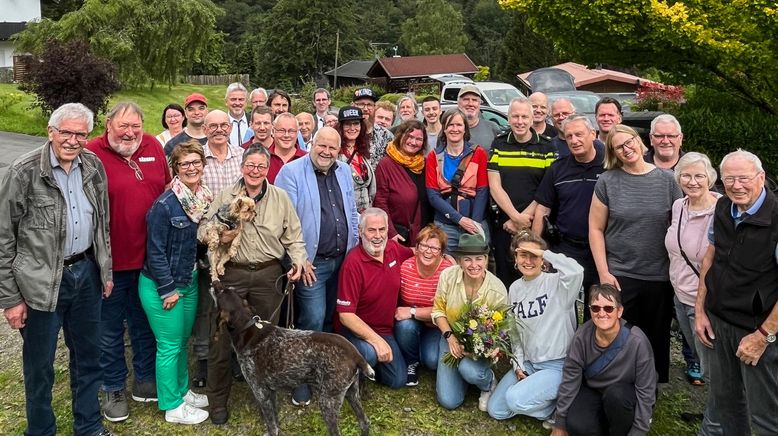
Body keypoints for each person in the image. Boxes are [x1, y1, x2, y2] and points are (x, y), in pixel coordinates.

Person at [0, 103, 113, 436]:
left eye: (80, 134)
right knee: (40, 368)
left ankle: (89, 426)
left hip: (86, 276)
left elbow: (102, 224)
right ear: (51, 132)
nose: (73, 140)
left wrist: (104, 272)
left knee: (89, 358)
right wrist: (10, 299)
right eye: (66, 132)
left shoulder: (93, 166)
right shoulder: (23, 172)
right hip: (39, 284)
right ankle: (40, 431)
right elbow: (4, 238)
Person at [197, 145, 306, 424]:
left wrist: (298, 262)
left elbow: (293, 237)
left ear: (267, 169)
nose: (254, 171)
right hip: (231, 275)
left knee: (266, 341)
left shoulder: (280, 198)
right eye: (250, 165)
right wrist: (219, 237)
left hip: (268, 276)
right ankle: (217, 400)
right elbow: (203, 230)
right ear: (242, 167)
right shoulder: (225, 196)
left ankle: (266, 398)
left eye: (260, 166)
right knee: (220, 340)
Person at [86, 101, 172, 422]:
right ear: (108, 125)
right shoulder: (92, 153)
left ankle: (145, 378)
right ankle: (113, 386)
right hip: (108, 262)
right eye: (123, 126)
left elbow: (165, 189)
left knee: (144, 322)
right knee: (109, 328)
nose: (130, 132)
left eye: (136, 126)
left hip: (149, 260)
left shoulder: (152, 145)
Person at [589, 124, 682, 384]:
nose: (626, 149)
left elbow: (681, 224)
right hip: (620, 273)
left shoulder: (668, 181)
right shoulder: (607, 181)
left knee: (655, 334)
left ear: (639, 141)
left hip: (659, 274)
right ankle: (617, 383)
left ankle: (649, 386)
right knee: (619, 333)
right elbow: (595, 229)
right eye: (618, 147)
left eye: (628, 142)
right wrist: (604, 273)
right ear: (613, 153)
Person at [275, 126, 360, 406]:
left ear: (339, 150)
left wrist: (354, 245)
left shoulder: (344, 170)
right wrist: (299, 257)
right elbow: (284, 221)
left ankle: (325, 371)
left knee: (330, 319)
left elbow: (351, 210)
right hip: (312, 262)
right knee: (311, 320)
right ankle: (300, 377)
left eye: (332, 148)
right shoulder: (291, 172)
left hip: (342, 260)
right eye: (321, 146)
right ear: (311, 143)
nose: (326, 152)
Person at [695, 149, 778, 435]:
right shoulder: (722, 208)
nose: (736, 185)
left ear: (762, 177)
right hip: (720, 323)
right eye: (729, 179)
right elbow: (710, 259)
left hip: (758, 331)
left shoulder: (776, 218)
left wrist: (763, 336)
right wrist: (700, 311)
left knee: (767, 414)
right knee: (726, 404)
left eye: (744, 178)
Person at [139, 141, 211, 425]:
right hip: (163, 285)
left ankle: (182, 390)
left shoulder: (202, 198)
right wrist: (167, 289)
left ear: (203, 166)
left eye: (196, 162)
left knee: (182, 342)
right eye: (185, 164)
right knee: (169, 345)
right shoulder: (165, 205)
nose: (191, 168)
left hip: (189, 279)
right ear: (176, 169)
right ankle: (172, 405)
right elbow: (154, 251)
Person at [488, 231, 583, 424]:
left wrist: (544, 252)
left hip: (558, 365)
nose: (529, 261)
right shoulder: (514, 288)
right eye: (523, 255)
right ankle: (548, 404)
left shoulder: (558, 284)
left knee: (514, 400)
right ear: (515, 258)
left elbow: (576, 271)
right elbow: (515, 332)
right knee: (496, 410)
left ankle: (559, 408)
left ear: (542, 260)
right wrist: (518, 365)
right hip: (530, 364)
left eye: (534, 256)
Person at [663, 152, 721, 432]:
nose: (693, 181)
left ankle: (715, 425)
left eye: (699, 175)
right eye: (686, 175)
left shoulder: (721, 209)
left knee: (715, 369)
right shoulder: (678, 206)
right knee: (704, 362)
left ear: (710, 178)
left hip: (706, 304)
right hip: (680, 296)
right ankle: (716, 414)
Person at [551, 284, 657, 436]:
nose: (602, 313)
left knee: (616, 396)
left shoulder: (637, 341)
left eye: (608, 308)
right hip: (595, 389)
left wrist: (638, 431)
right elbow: (570, 378)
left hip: (625, 393)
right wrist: (560, 423)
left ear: (619, 311)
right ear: (590, 311)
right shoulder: (582, 336)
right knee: (576, 426)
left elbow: (646, 390)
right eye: (595, 308)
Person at [190, 109, 245, 389]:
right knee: (206, 307)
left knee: (233, 303)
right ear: (205, 127)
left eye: (224, 124)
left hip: (235, 243)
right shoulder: (197, 158)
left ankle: (234, 357)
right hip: (207, 243)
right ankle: (203, 361)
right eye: (213, 125)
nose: (220, 129)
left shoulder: (241, 156)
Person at [533, 114, 606, 321]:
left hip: (600, 249)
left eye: (579, 135)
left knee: (598, 306)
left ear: (593, 134)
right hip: (566, 247)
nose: (574, 140)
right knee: (563, 308)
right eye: (569, 136)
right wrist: (537, 248)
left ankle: (592, 349)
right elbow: (542, 209)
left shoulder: (609, 165)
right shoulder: (558, 168)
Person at [337, 208, 414, 388]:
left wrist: (444, 256)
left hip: (385, 330)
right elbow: (345, 315)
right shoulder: (353, 263)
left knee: (398, 381)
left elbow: (415, 254)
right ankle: (350, 364)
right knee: (370, 353)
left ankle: (369, 365)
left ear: (388, 230)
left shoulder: (393, 249)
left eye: (382, 229)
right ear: (361, 231)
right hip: (355, 331)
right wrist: (376, 341)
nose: (377, 236)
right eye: (371, 230)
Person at [431, 233, 507, 411]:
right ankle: (459, 377)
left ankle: (488, 383)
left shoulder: (497, 289)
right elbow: (438, 310)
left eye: (479, 259)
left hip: (480, 347)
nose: (474, 265)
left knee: (469, 370)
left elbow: (501, 331)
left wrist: (487, 348)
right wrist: (450, 337)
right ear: (459, 261)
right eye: (467, 259)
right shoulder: (448, 276)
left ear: (486, 259)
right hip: (450, 337)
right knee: (449, 401)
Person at [488, 97, 556, 287]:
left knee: (535, 276)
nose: (520, 121)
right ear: (508, 118)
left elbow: (547, 188)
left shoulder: (546, 146)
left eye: (524, 117)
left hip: (536, 223)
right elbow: (495, 185)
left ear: (532, 118)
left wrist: (523, 218)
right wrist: (514, 217)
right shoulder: (499, 144)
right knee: (506, 277)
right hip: (504, 224)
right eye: (515, 116)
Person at [393, 224, 453, 386]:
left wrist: (413, 311)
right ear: (417, 247)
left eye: (434, 248)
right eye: (424, 245)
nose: (428, 251)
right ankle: (410, 361)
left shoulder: (448, 272)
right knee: (404, 326)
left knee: (432, 361)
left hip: (436, 325)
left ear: (442, 252)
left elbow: (447, 310)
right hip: (410, 323)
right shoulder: (406, 267)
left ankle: (417, 348)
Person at [426, 108, 490, 254]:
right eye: (450, 125)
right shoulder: (434, 157)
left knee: (475, 265)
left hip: (475, 220)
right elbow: (433, 195)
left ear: (465, 128)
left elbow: (482, 190)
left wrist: (474, 223)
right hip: (446, 224)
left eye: (459, 125)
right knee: (447, 267)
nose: (455, 129)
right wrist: (459, 219)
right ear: (444, 128)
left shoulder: (478, 153)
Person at [374, 119, 431, 246]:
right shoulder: (386, 164)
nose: (413, 142)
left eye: (419, 139)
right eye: (409, 137)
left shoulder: (425, 164)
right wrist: (391, 232)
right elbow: (380, 201)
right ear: (400, 136)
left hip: (424, 234)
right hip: (400, 235)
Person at [337, 106, 375, 213]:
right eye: (348, 124)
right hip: (344, 213)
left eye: (356, 123)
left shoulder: (363, 150)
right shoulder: (335, 152)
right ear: (341, 127)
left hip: (366, 214)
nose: (352, 128)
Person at [352, 87, 394, 171]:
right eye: (361, 104)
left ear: (374, 107)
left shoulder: (386, 135)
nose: (366, 109)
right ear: (353, 105)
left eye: (369, 105)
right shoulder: (346, 132)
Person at [457, 85, 500, 153]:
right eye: (466, 99)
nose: (470, 104)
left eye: (474, 100)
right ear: (458, 103)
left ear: (479, 104)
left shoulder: (492, 128)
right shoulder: (450, 130)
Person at [267, 112, 306, 184]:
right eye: (281, 130)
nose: (286, 135)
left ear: (297, 133)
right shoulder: (263, 157)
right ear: (273, 131)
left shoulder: (307, 159)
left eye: (291, 131)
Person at [225, 82, 249, 148]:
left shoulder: (253, 120)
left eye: (241, 99)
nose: (237, 103)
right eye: (233, 99)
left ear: (246, 102)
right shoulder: (220, 122)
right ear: (226, 102)